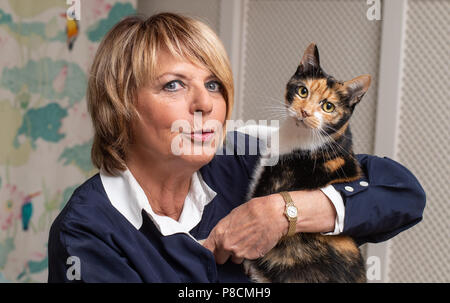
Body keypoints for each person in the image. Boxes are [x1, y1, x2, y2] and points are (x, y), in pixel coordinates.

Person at [48, 13, 425, 282]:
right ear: (121, 104)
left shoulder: (245, 154)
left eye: (214, 85)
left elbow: (402, 193)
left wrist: (282, 211)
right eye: (174, 85)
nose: (206, 104)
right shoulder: (87, 230)